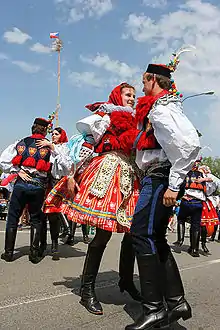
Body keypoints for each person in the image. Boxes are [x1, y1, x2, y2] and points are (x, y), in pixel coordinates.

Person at [44, 83, 143, 315]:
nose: (132, 99)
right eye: (128, 95)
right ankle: (86, 289)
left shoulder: (138, 120)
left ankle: (126, 280)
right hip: (106, 171)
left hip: (129, 174)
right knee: (102, 234)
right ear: (118, 96)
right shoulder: (105, 115)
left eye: (134, 96)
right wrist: (71, 173)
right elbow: (84, 146)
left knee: (133, 232)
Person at [124, 60, 200, 330]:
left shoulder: (161, 110)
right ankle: (176, 302)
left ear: (154, 80)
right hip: (156, 177)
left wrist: (174, 184)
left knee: (142, 235)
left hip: (160, 178)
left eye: (144, 81)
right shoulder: (162, 108)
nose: (142, 86)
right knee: (153, 237)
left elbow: (189, 145)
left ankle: (154, 308)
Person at [0, 118, 51, 263]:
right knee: (35, 219)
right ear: (45, 130)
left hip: (21, 184)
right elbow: (61, 167)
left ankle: (9, 253)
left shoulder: (20, 142)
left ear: (32, 129)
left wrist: (16, 170)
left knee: (13, 218)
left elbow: (3, 160)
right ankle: (34, 254)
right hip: (38, 185)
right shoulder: (48, 145)